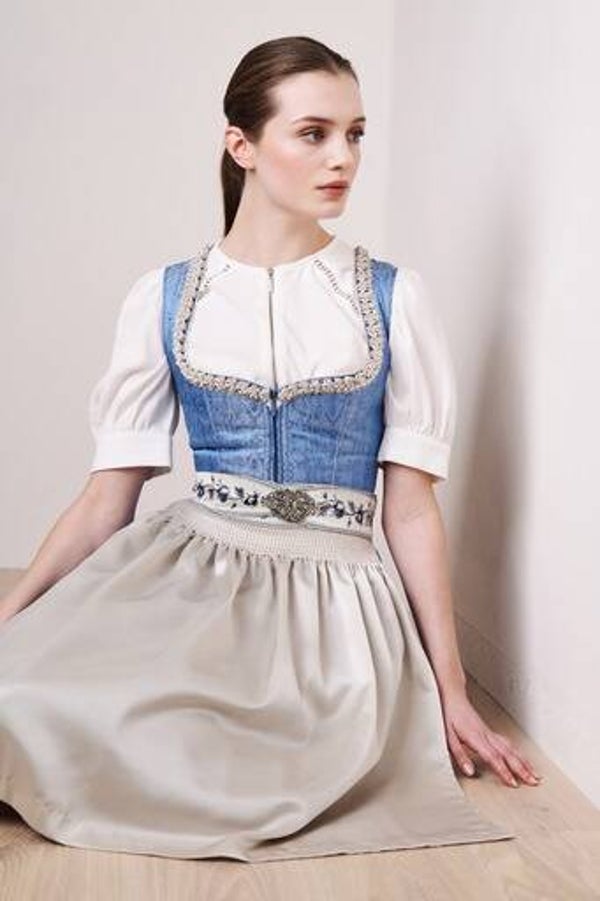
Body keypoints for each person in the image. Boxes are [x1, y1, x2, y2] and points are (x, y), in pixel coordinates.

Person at [0, 35, 541, 863]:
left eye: (355, 134)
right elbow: (108, 497)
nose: (343, 158)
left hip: (335, 609)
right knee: (26, 696)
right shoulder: (167, 296)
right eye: (314, 133)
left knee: (259, 764)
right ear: (241, 145)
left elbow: (409, 510)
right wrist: (11, 614)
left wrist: (452, 690)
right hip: (194, 579)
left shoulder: (392, 296)